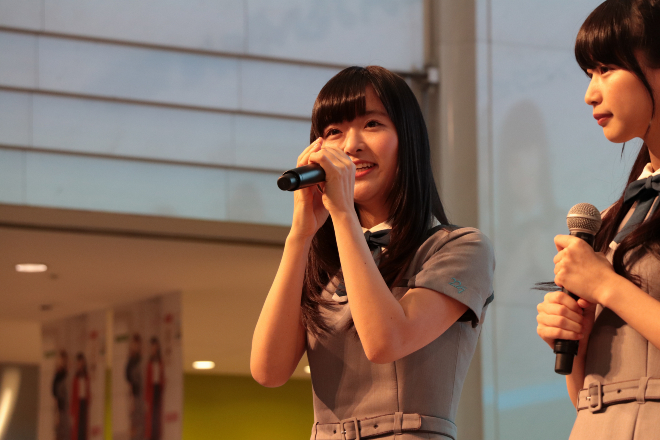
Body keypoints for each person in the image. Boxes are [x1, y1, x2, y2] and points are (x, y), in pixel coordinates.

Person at [251, 65, 495, 440]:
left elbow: (385, 342)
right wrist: (300, 234)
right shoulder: (329, 266)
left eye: (372, 124)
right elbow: (268, 370)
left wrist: (343, 214)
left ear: (407, 139)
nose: (351, 145)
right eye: (334, 132)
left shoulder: (459, 247)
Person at [536, 1, 660, 438]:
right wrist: (577, 336)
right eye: (590, 74)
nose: (591, 94)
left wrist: (606, 285)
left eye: (606, 69)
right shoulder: (616, 216)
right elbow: (586, 398)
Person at [70, 352, 90, 440]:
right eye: (78, 363)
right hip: (77, 405)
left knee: (84, 426)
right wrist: (72, 410)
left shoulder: (86, 377)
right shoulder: (75, 378)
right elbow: (73, 395)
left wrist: (88, 400)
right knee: (77, 428)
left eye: (81, 362)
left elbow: (88, 391)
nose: (80, 364)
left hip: (84, 404)